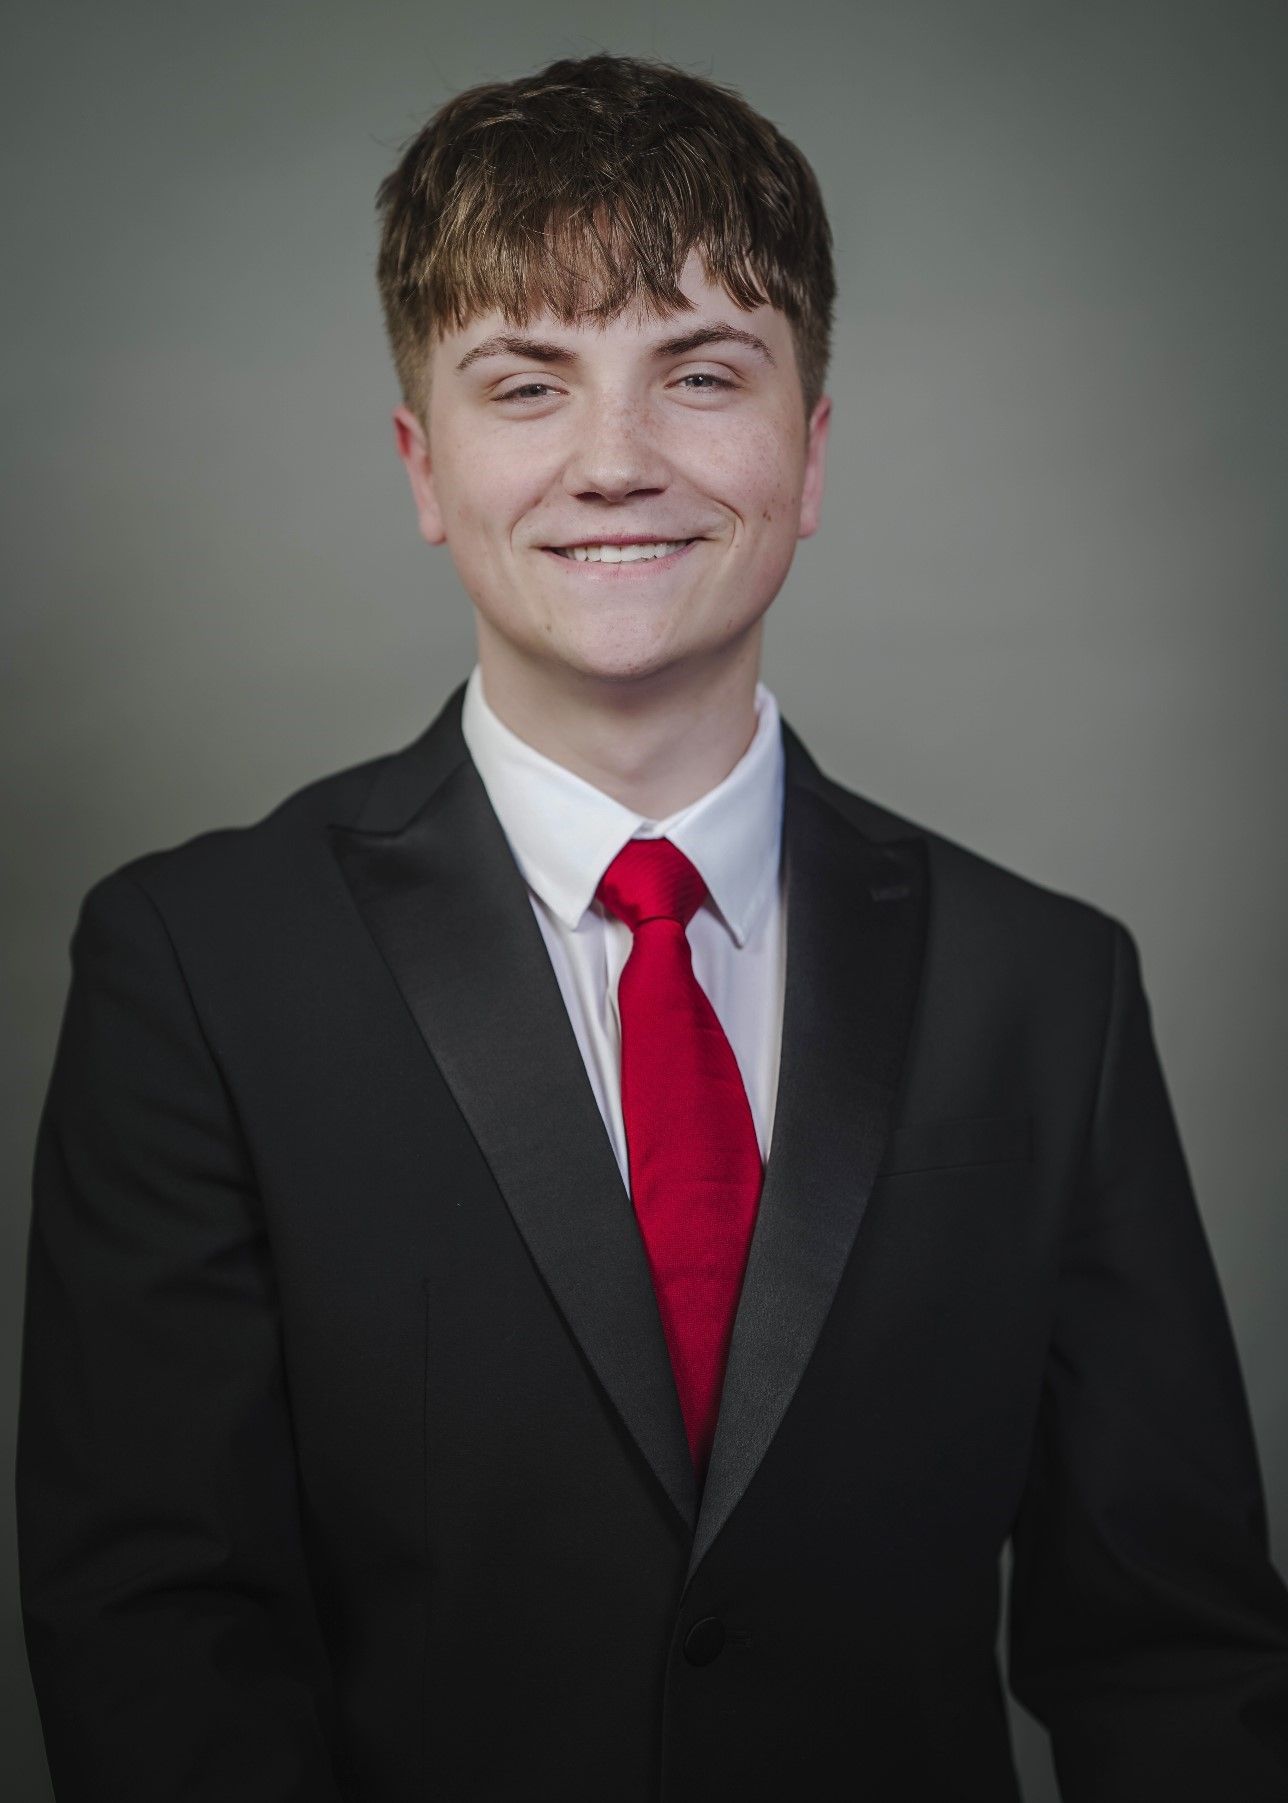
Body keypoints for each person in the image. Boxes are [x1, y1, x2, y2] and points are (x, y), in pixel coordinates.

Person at [16, 50, 1288, 1803]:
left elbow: (1177, 1657)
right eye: (526, 385)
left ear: (811, 447)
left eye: (701, 372)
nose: (615, 462)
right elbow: (162, 1638)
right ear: (422, 462)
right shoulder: (198, 971)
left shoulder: (1048, 991)